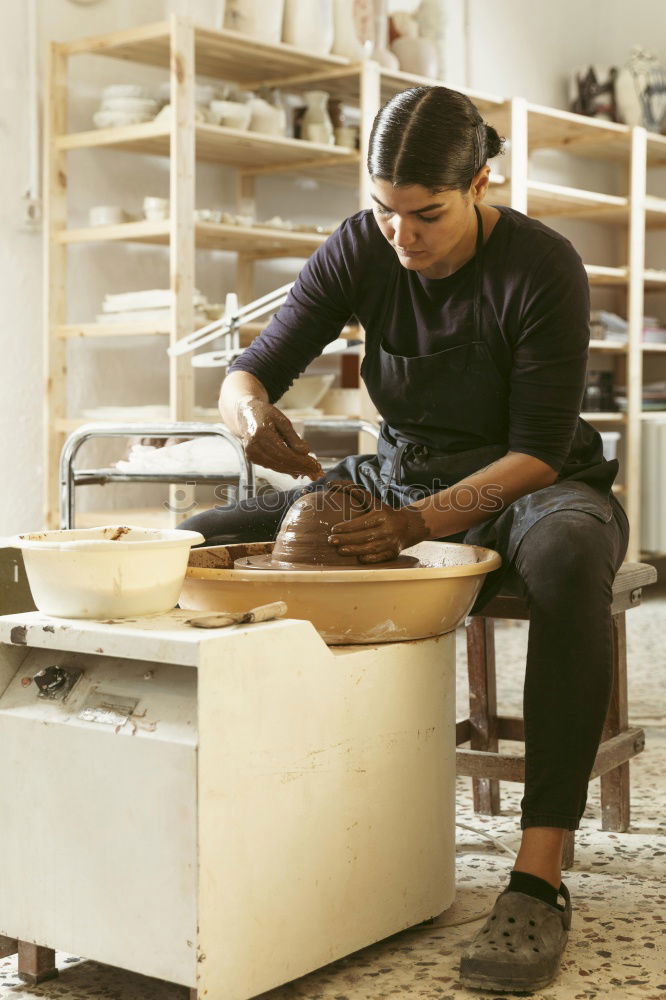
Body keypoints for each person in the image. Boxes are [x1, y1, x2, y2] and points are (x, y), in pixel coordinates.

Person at [180, 86, 629, 993]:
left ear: (479, 184)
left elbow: (540, 449)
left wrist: (423, 523)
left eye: (426, 215)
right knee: (195, 538)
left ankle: (538, 877)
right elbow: (255, 364)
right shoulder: (363, 242)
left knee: (572, 558)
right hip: (402, 477)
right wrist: (245, 411)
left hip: (530, 484)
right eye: (385, 211)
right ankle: (268, 819)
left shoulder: (544, 265)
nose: (402, 237)